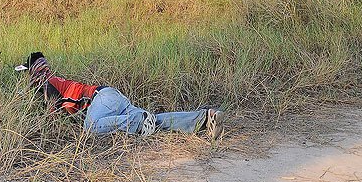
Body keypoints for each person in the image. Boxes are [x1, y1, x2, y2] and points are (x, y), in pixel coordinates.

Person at [15, 52, 224, 138]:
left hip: (102, 98)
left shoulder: (48, 83)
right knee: (155, 123)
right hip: (112, 100)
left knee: (90, 128)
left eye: (27, 73)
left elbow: (51, 112)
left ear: (34, 71)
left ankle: (136, 119)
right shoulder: (53, 82)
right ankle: (206, 118)